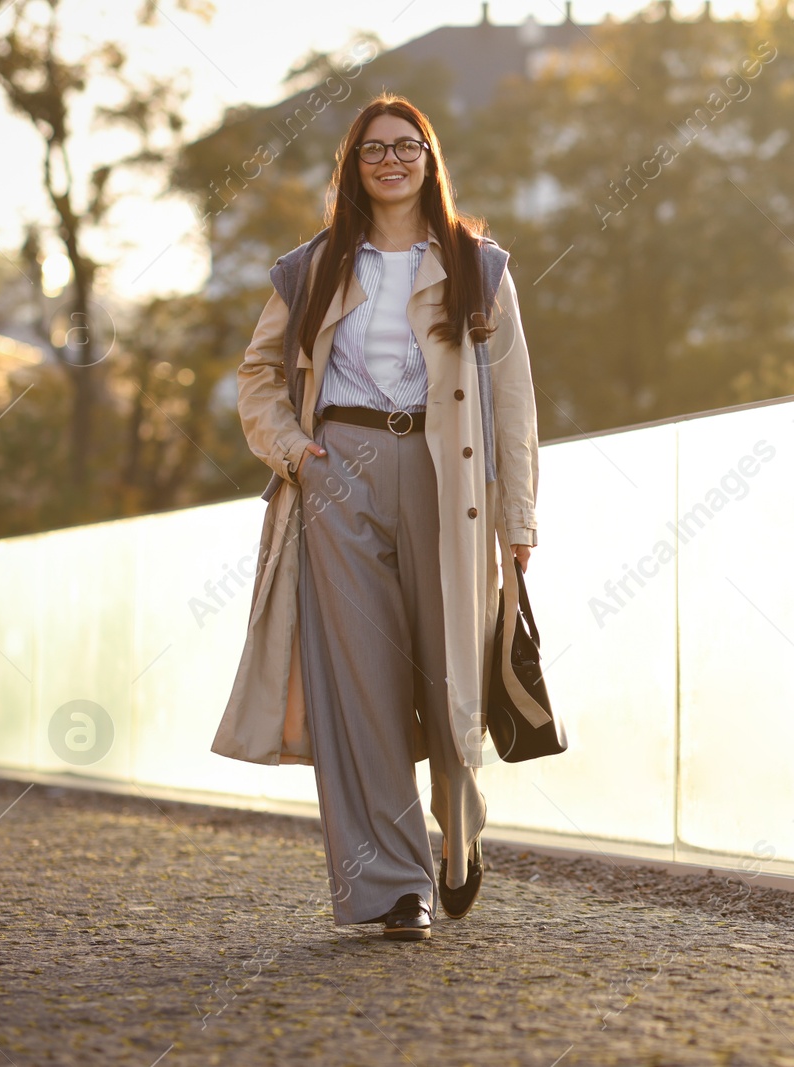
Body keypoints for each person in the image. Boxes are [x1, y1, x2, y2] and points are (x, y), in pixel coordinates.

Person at [211, 93, 541, 942]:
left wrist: (520, 523)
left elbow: (514, 403)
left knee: (449, 670)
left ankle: (457, 834)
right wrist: (292, 450)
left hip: (447, 476)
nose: (391, 160)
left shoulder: (480, 266)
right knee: (361, 681)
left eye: (407, 146)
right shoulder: (312, 266)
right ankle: (395, 887)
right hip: (338, 471)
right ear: (353, 168)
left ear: (429, 159)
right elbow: (258, 376)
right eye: (373, 150)